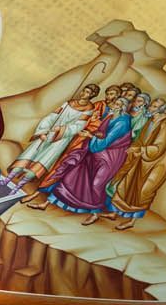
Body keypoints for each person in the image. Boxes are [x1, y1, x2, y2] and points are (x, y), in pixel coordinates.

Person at [44, 96, 134, 225]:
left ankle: (95, 214)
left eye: (118, 104)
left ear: (122, 107)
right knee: (76, 173)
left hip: (109, 157)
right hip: (96, 151)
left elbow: (107, 140)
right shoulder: (110, 116)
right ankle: (50, 201)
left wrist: (89, 136)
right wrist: (92, 129)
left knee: (97, 184)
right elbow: (100, 133)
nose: (114, 105)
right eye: (114, 103)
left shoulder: (123, 122)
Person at [9, 83, 105, 194]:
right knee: (31, 153)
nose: (83, 93)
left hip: (62, 138)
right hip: (49, 131)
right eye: (84, 90)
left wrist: (62, 129)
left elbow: (79, 126)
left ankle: (18, 187)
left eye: (87, 92)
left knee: (44, 159)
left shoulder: (89, 109)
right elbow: (53, 116)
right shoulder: (70, 102)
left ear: (92, 95)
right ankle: (9, 178)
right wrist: (43, 130)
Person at [106, 99, 166, 230]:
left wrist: (141, 150)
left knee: (143, 191)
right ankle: (114, 213)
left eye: (154, 106)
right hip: (140, 159)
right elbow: (141, 139)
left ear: (161, 109)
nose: (150, 107)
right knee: (125, 185)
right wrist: (135, 148)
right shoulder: (151, 120)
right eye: (152, 105)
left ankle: (131, 221)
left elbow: (160, 147)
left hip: (156, 163)